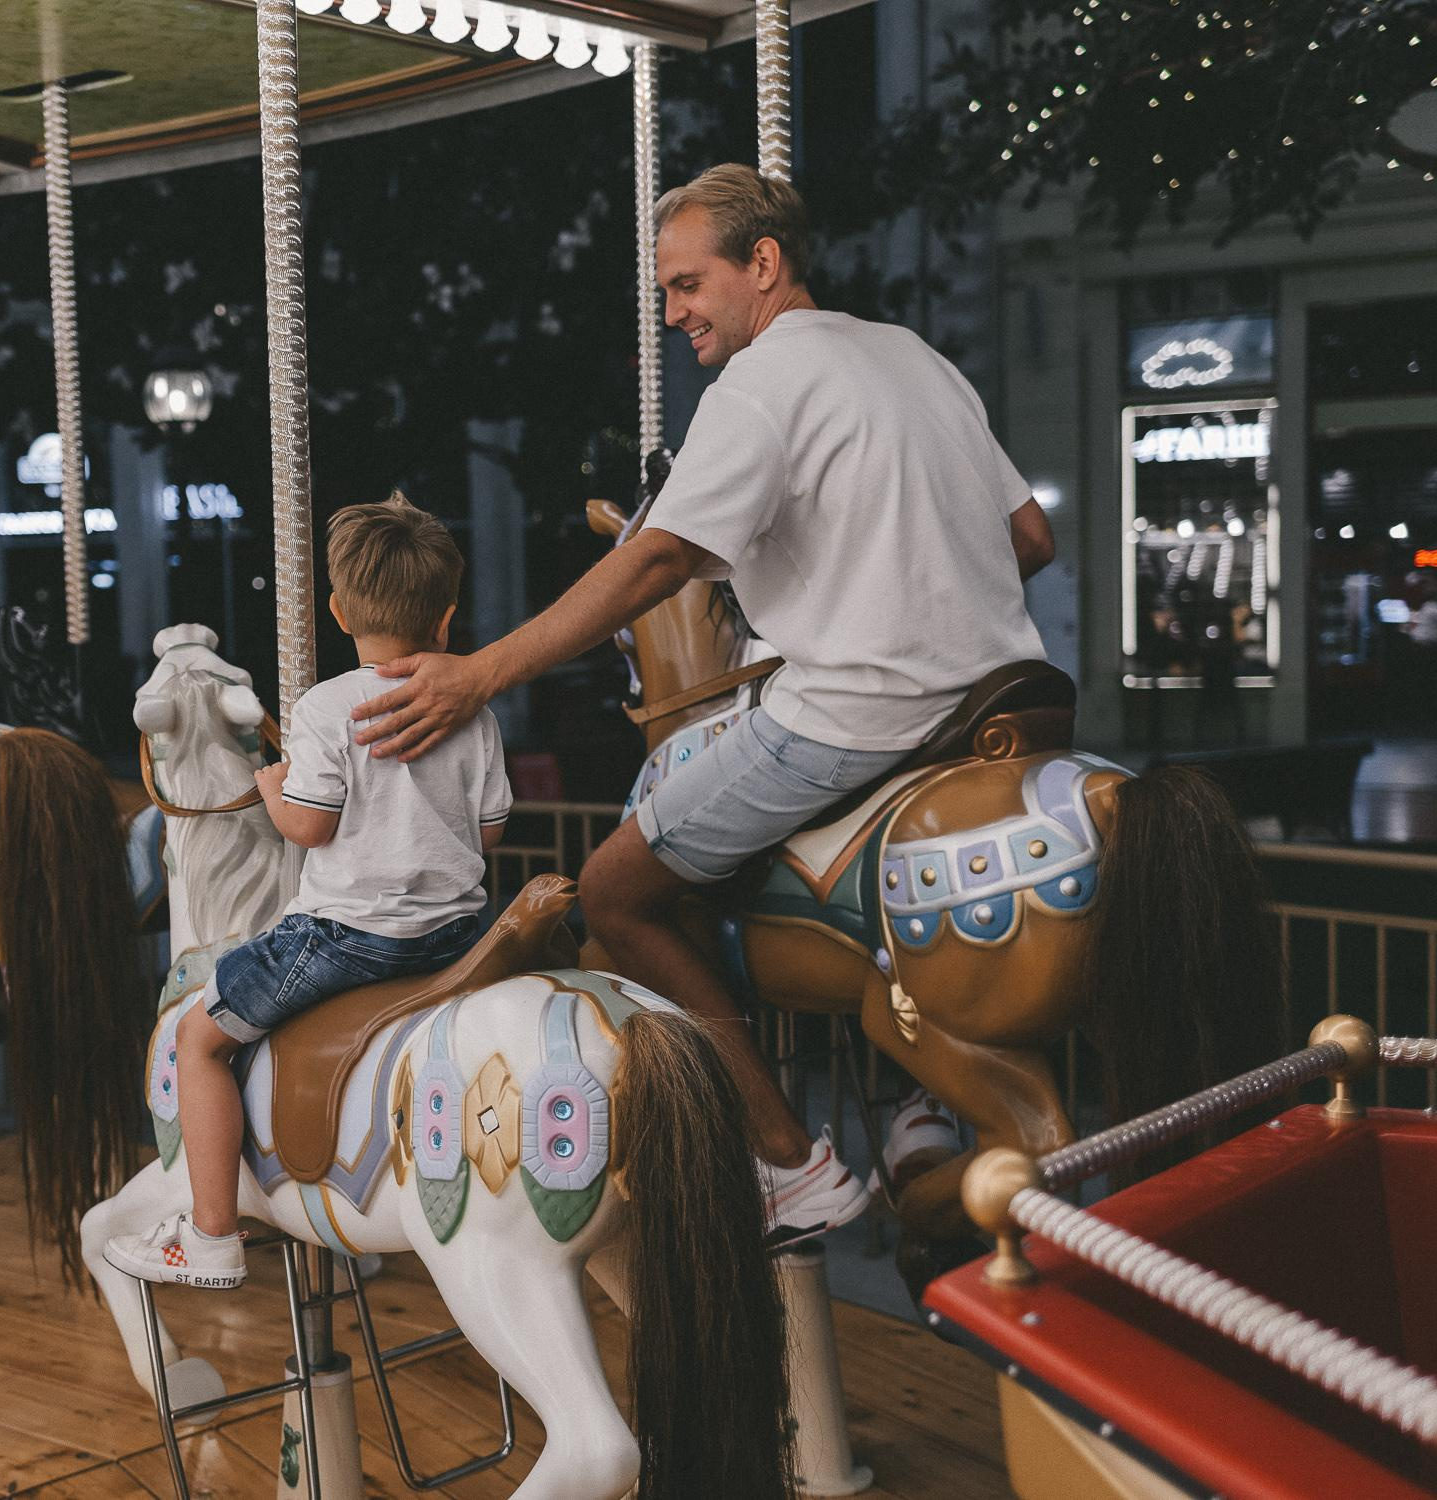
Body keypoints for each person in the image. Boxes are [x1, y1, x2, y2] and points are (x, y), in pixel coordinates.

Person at [347, 164, 1056, 1247]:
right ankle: (922, 1094)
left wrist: (480, 672)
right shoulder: (911, 356)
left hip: (866, 711)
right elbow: (1029, 540)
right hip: (1002, 700)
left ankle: (788, 1160)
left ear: (761, 265)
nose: (674, 312)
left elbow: (657, 562)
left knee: (618, 887)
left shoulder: (762, 387)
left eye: (687, 285)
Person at [104, 494, 512, 1287]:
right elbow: (488, 833)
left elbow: (310, 829)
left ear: (334, 609)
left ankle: (213, 1232)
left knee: (199, 1040)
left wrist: (269, 784)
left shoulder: (328, 706)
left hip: (348, 939)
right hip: (459, 935)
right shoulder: (472, 706)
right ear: (448, 616)